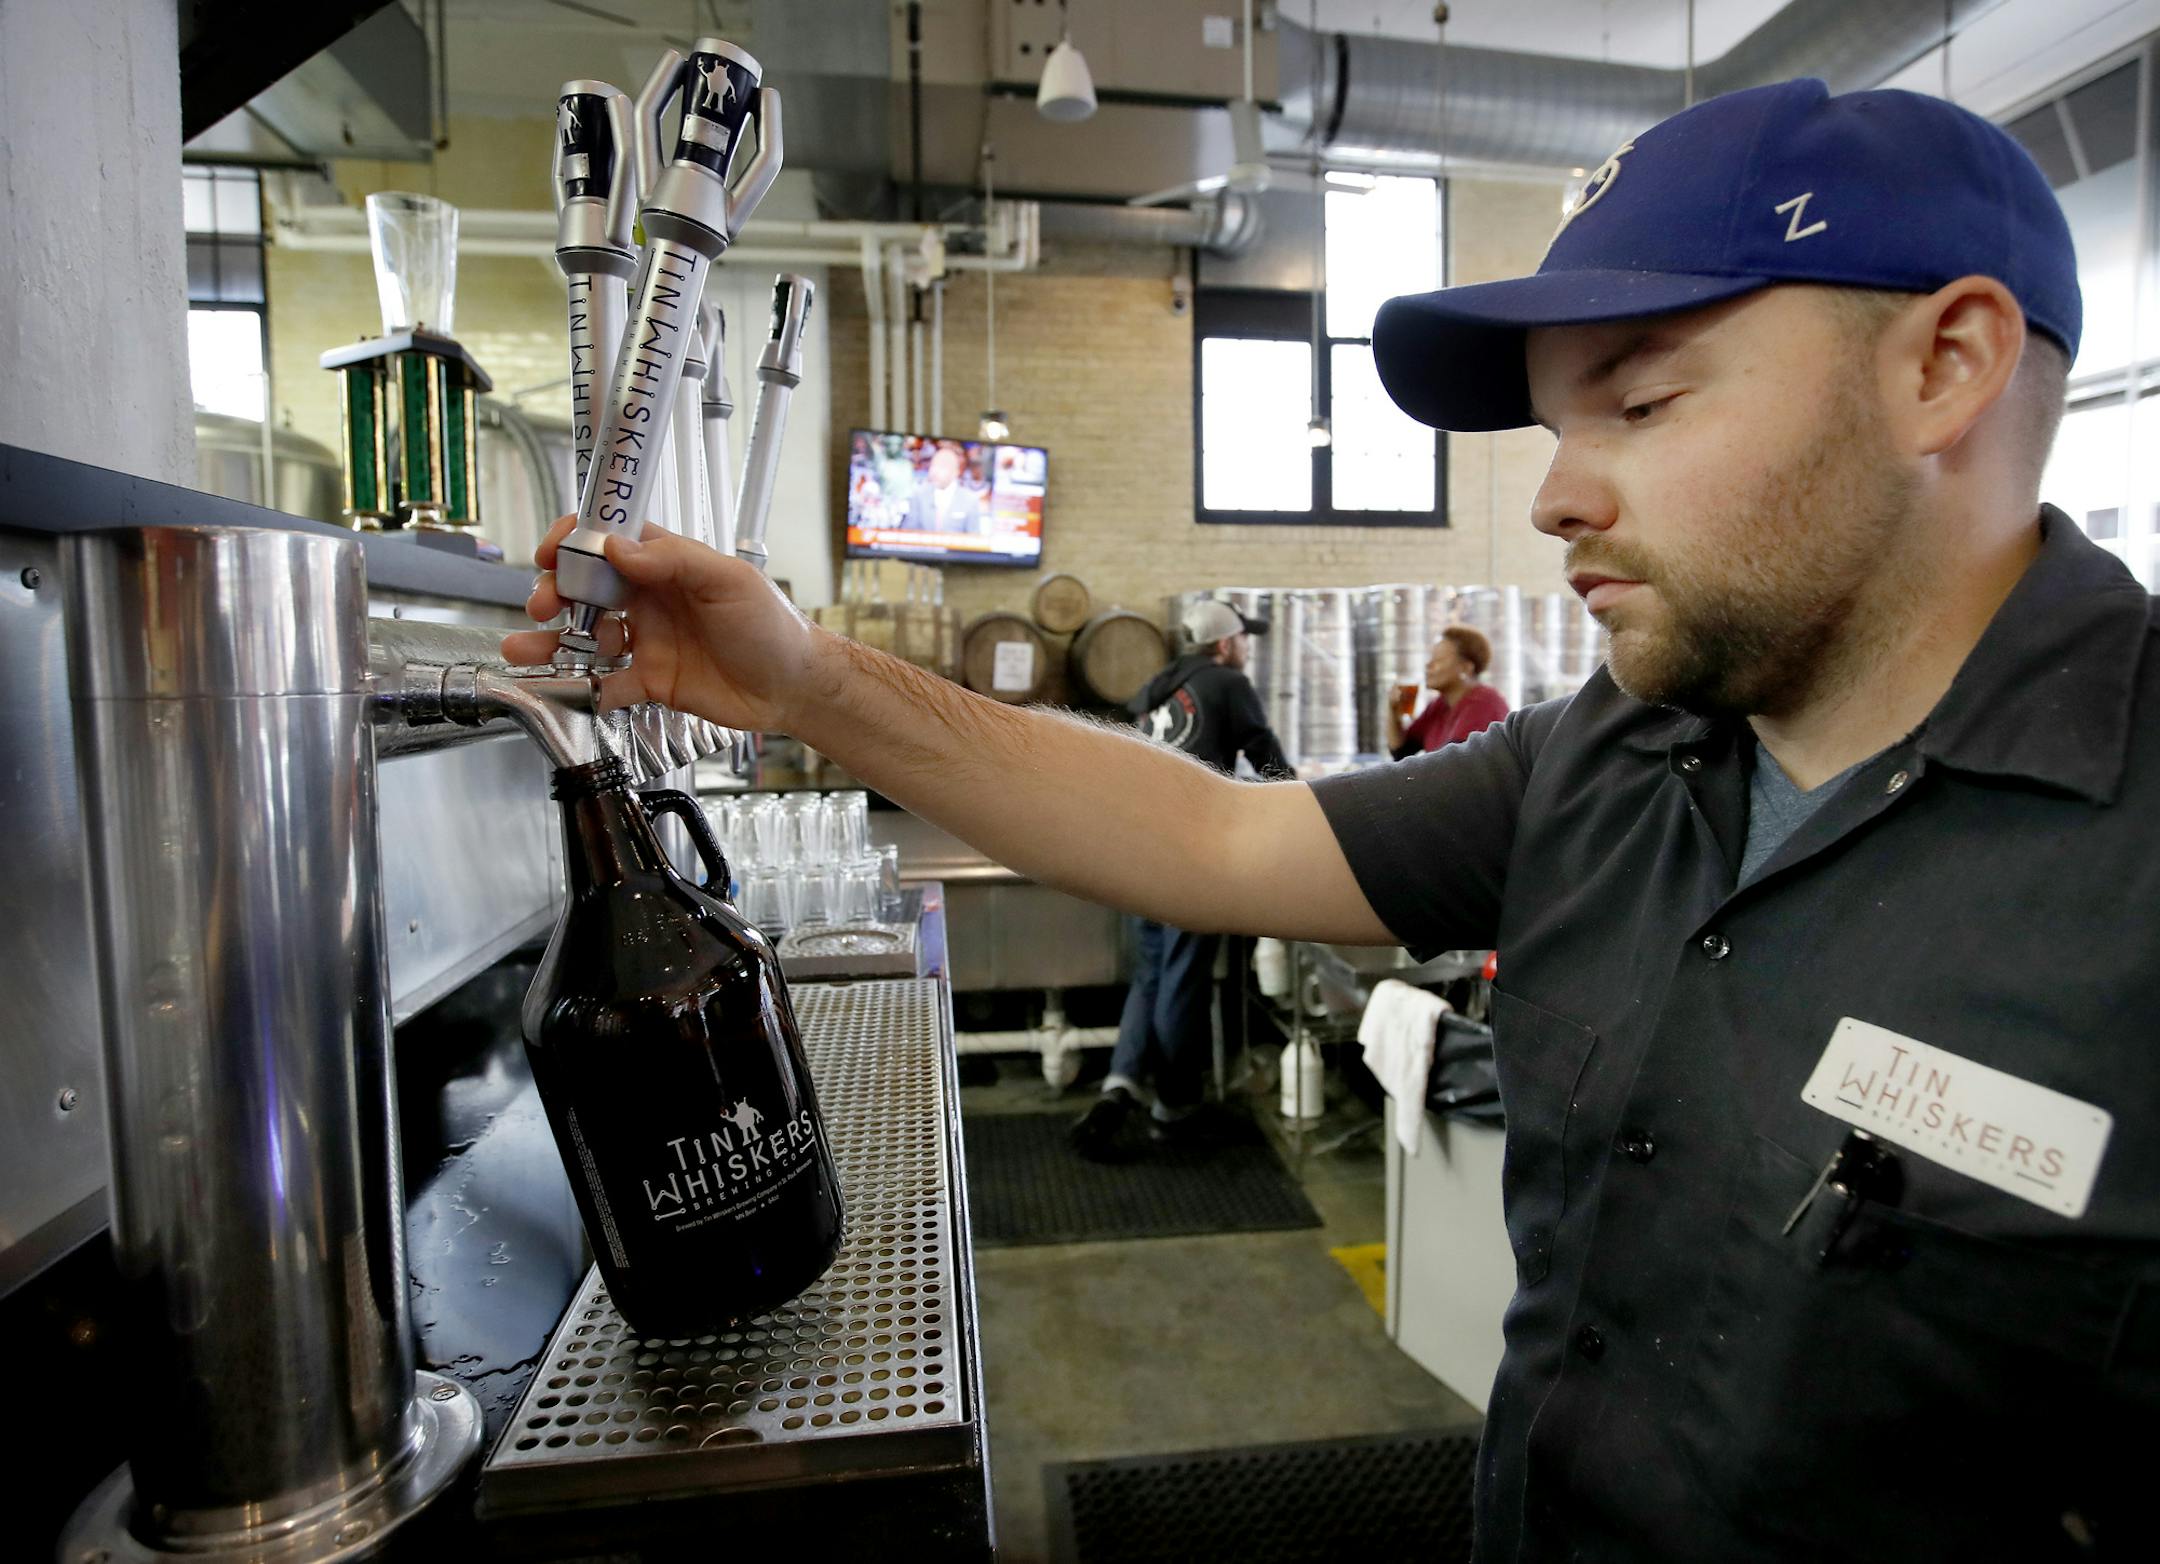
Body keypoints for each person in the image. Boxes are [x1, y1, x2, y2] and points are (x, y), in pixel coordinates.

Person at [508, 78, 2159, 1562]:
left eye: (1641, 404)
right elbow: (1224, 841)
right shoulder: (1620, 753)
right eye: (1554, 420)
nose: (1556, 492)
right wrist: (804, 678)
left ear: (1945, 364)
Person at [1071, 600, 1292, 1161]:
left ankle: (1119, 1085)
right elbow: (1266, 758)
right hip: (1190, 856)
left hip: (1136, 849)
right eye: (1244, 639)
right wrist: (1301, 805)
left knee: (1152, 976)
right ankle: (1174, 1110)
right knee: (1184, 980)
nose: (1246, 648)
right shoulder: (1226, 682)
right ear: (1223, 645)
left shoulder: (1155, 690)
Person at [1388, 623, 1509, 758]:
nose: (1428, 665)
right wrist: (1393, 710)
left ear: (1465, 668)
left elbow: (1454, 765)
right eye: (1430, 659)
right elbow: (1400, 751)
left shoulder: (1484, 702)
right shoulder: (1439, 705)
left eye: (1438, 660)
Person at [902, 445, 983, 533]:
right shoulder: (919, 495)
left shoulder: (970, 500)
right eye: (933, 466)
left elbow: (974, 540)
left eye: (941, 467)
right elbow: (908, 533)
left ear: (955, 472)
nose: (934, 472)